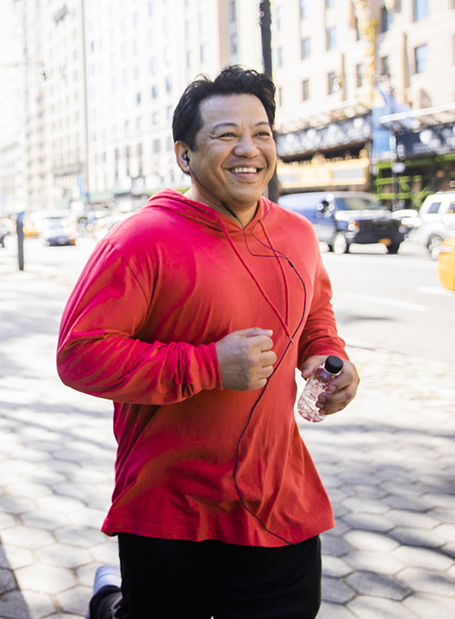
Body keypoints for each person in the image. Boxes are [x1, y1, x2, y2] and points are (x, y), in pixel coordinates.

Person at [57, 66, 360, 619]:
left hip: (279, 496)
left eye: (262, 132)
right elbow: (79, 355)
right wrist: (209, 366)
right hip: (173, 505)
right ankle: (111, 601)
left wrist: (326, 358)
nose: (250, 149)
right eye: (226, 135)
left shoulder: (298, 233)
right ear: (185, 155)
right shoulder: (140, 239)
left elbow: (315, 311)